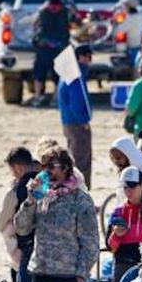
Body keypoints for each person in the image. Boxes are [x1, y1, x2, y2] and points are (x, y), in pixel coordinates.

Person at [15, 145, 99, 282]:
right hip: (40, 272)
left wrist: (80, 276)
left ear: (66, 168)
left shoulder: (80, 199)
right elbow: (22, 228)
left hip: (66, 275)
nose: (45, 172)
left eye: (51, 167)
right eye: (43, 166)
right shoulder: (42, 196)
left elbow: (90, 241)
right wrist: (30, 201)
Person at [0, 147, 40, 282]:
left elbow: (1, 224)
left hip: (24, 252)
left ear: (18, 167)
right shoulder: (48, 183)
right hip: (50, 253)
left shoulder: (17, 191)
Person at [57, 44, 93, 186]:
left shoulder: (67, 74)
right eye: (88, 57)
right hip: (77, 124)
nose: (89, 61)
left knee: (74, 160)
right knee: (82, 162)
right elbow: (76, 103)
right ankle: (82, 194)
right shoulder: (75, 77)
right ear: (80, 57)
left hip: (68, 123)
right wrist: (83, 120)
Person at [30, 0, 71, 107]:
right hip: (59, 47)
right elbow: (73, 23)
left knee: (39, 73)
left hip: (44, 46)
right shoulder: (65, 11)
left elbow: (34, 23)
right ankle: (56, 98)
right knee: (58, 75)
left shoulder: (42, 10)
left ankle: (38, 97)